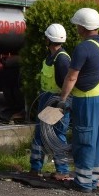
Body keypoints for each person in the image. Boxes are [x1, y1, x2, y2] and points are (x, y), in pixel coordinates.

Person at [58, 8, 99, 193]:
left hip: (88, 100)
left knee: (84, 138)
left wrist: (62, 99)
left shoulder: (83, 47)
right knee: (98, 140)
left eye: (77, 25)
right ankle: (93, 179)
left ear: (82, 27)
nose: (76, 28)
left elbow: (71, 77)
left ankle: (82, 182)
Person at [29, 23, 71, 180]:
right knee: (41, 134)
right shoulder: (53, 57)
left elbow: (66, 83)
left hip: (56, 101)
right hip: (47, 99)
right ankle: (37, 168)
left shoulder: (61, 60)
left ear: (48, 39)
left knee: (56, 135)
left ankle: (61, 170)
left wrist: (60, 103)